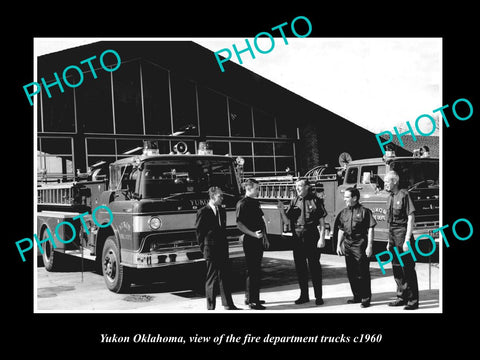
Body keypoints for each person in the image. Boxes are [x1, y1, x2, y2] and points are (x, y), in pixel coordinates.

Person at [277, 178, 327, 305]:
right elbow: (287, 221)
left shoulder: (315, 200)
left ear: (306, 187)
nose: (297, 188)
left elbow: (322, 223)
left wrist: (322, 238)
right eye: (296, 186)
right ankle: (304, 295)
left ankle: (318, 297)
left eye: (300, 186)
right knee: (300, 268)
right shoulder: (294, 201)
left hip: (312, 236)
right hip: (297, 238)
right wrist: (282, 211)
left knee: (315, 267)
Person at [195, 186, 240, 310]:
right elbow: (199, 233)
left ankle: (228, 304)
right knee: (212, 278)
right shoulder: (203, 211)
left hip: (222, 248)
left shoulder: (222, 210)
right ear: (213, 196)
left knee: (225, 276)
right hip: (210, 249)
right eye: (220, 196)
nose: (222, 198)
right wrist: (203, 249)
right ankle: (211, 306)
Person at [384, 170, 419, 310]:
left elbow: (411, 217)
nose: (385, 184)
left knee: (408, 268)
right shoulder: (390, 197)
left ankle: (413, 301)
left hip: (402, 234)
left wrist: (407, 240)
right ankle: (401, 297)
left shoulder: (404, 195)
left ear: (395, 181)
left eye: (387, 181)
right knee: (397, 267)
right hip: (393, 235)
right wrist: (388, 241)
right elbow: (390, 222)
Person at [336, 187, 376, 308]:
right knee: (351, 272)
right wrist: (339, 244)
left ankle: (365, 298)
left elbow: (371, 228)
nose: (345, 199)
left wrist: (369, 246)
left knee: (362, 272)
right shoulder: (344, 212)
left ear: (355, 198)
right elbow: (341, 229)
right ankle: (357, 296)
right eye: (345, 197)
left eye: (347, 197)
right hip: (348, 244)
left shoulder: (365, 211)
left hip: (360, 244)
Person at [236, 179, 269, 310]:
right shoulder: (242, 204)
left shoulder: (255, 202)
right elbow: (239, 224)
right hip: (250, 240)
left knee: (256, 270)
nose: (258, 191)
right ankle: (253, 302)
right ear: (248, 189)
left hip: (258, 239)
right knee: (252, 270)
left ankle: (251, 297)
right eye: (256, 188)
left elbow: (261, 220)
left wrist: (265, 237)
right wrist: (253, 234)